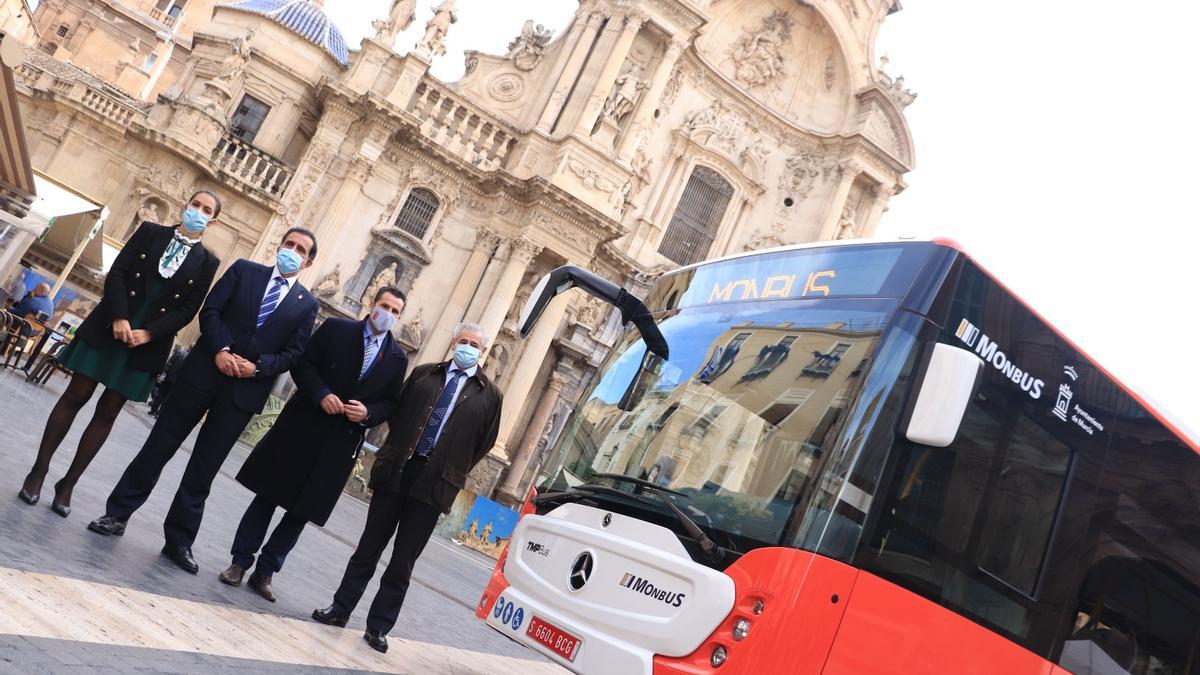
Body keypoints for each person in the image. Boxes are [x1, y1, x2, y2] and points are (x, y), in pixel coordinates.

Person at [87, 228, 320, 578]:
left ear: (309, 261)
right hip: (204, 373)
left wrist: (257, 368)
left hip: (243, 392)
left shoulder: (307, 305)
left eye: (300, 249)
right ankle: (117, 514)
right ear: (279, 246)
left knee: (204, 468)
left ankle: (179, 540)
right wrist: (223, 350)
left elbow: (294, 352)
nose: (291, 251)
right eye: (288, 244)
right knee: (159, 445)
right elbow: (210, 311)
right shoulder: (244, 270)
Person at [17, 192, 221, 517]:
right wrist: (120, 316)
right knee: (75, 394)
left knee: (109, 411)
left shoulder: (209, 262)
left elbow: (187, 310)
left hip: (147, 342)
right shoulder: (150, 232)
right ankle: (38, 471)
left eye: (206, 210)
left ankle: (68, 483)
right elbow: (118, 273)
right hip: (110, 323)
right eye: (195, 205)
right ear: (185, 207)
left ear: (213, 220)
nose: (198, 212)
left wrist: (149, 332)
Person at [311, 323, 502, 654]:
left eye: (474, 344)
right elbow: (398, 415)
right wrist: (404, 447)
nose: (467, 347)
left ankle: (380, 626)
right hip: (399, 470)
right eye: (463, 341)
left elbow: (483, 443)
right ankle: (340, 609)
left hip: (436, 484)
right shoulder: (425, 374)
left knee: (403, 562)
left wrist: (449, 464)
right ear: (453, 342)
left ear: (482, 352)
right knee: (367, 549)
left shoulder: (490, 395)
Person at [218, 287, 410, 602]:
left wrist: (368, 413)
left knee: (300, 513)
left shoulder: (397, 358)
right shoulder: (337, 329)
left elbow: (390, 402)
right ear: (371, 304)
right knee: (267, 497)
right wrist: (321, 393)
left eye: (396, 311)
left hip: (340, 443)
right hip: (303, 425)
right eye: (384, 305)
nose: (388, 314)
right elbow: (303, 363)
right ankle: (239, 562)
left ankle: (266, 571)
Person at [149, 345, 189, 417]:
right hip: (177, 382)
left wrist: (164, 373)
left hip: (168, 378)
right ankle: (159, 414)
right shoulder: (192, 359)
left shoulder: (179, 352)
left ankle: (153, 411)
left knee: (160, 395)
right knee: (167, 399)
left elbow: (169, 364)